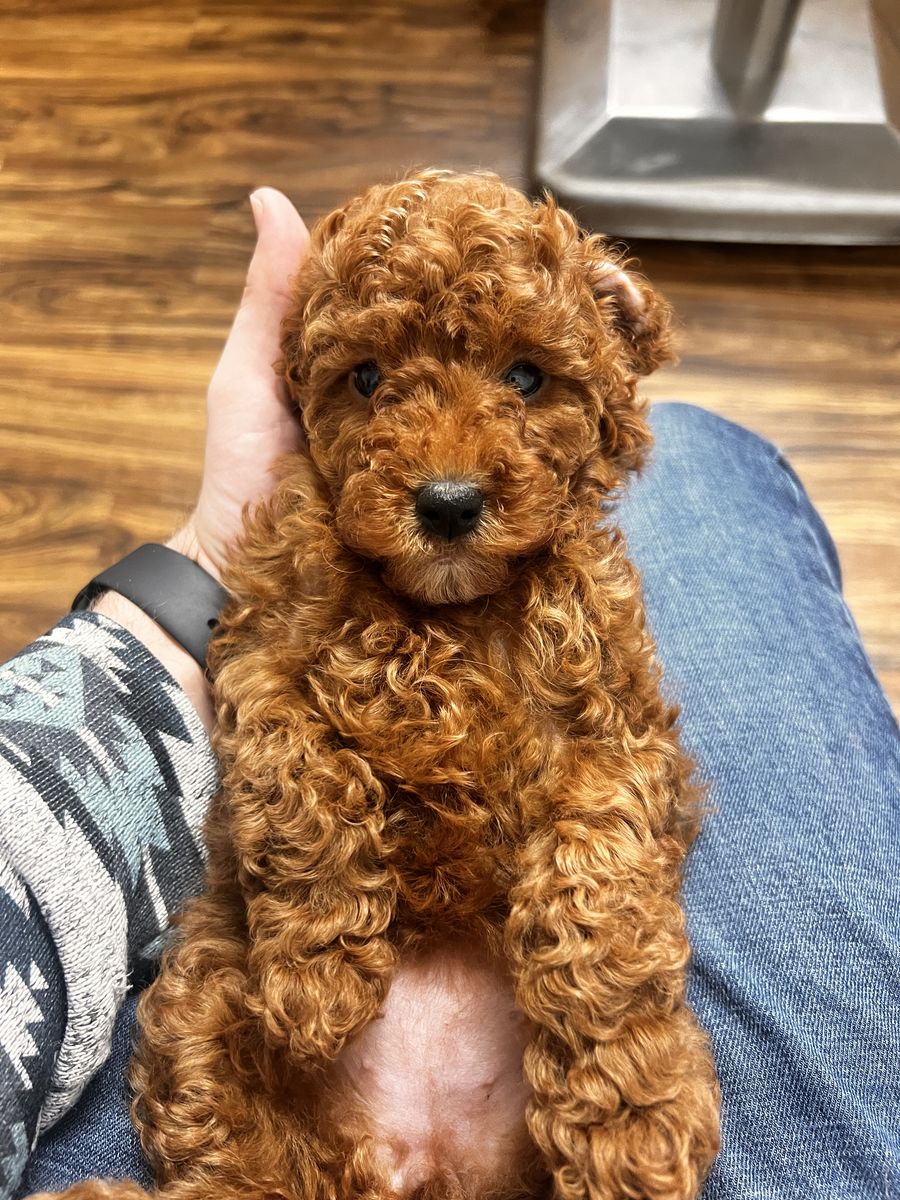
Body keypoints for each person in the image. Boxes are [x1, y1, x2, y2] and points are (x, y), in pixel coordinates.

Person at [1, 191, 897, 1200]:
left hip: (536, 1078)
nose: (446, 466)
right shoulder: (299, 568)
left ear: (611, 384)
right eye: (371, 381)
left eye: (524, 377)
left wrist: (592, 986)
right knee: (214, 1039)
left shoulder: (582, 592)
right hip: (293, 1090)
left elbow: (620, 764)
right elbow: (270, 699)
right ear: (301, 391)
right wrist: (321, 889)